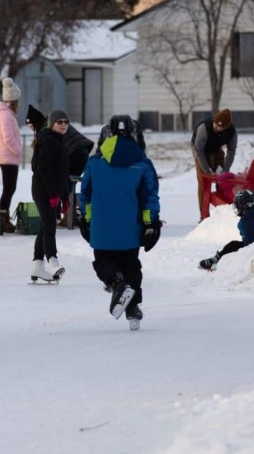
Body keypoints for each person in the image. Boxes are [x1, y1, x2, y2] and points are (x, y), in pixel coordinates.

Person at [77, 115, 161, 330]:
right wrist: (150, 223)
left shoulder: (95, 163)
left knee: (104, 261)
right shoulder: (142, 164)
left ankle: (116, 284)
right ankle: (132, 307)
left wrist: (86, 220)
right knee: (131, 264)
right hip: (130, 226)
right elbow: (149, 196)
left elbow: (85, 194)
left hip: (101, 224)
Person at [30, 109, 70, 282]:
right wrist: (53, 194)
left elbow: (61, 172)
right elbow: (44, 170)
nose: (63, 125)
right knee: (49, 225)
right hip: (43, 189)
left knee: (45, 226)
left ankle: (37, 265)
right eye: (59, 122)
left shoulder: (58, 141)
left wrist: (65, 196)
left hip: (52, 190)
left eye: (66, 122)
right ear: (52, 124)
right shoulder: (48, 141)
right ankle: (52, 260)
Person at [199, 189, 254, 271]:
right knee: (234, 244)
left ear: (244, 204)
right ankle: (218, 259)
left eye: (238, 204)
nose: (237, 207)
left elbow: (252, 236)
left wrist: (246, 254)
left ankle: (220, 261)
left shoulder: (250, 215)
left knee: (233, 246)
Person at [0, 77, 23, 233]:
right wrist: (18, 150)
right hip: (8, 156)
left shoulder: (3, 114)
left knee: (9, 189)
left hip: (5, 155)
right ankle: (4, 218)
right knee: (9, 189)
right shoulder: (6, 115)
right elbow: (8, 137)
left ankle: (3, 216)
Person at [192, 109, 237, 218]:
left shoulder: (231, 132)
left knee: (222, 180)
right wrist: (207, 171)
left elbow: (231, 152)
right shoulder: (204, 128)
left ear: (225, 128)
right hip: (200, 150)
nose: (215, 127)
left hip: (216, 150)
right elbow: (199, 151)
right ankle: (203, 215)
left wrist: (225, 171)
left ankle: (223, 210)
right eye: (215, 124)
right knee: (203, 180)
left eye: (219, 127)